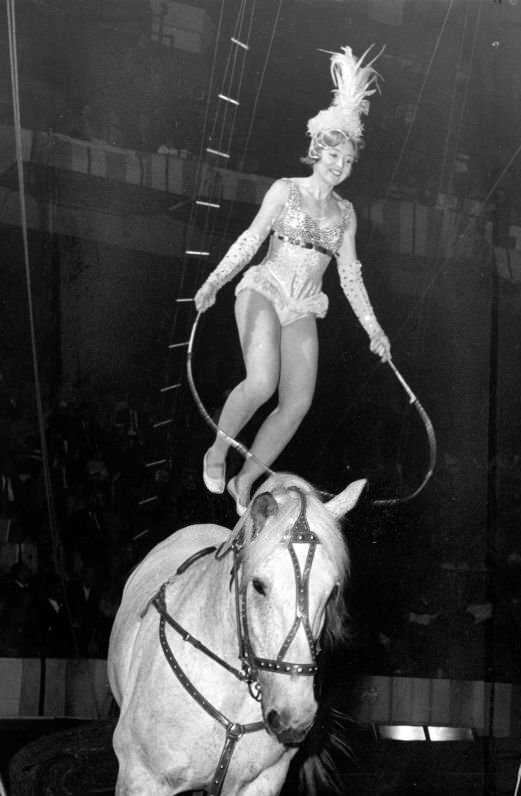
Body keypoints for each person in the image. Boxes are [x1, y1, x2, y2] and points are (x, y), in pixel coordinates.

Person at [194, 46, 391, 514]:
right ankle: (217, 452)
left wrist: (374, 330)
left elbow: (349, 275)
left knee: (297, 403)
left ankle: (245, 481)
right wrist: (215, 281)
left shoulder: (346, 214)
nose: (339, 163)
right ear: (317, 148)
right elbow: (250, 239)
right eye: (332, 152)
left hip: (302, 305)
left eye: (347, 158)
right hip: (264, 289)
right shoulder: (286, 190)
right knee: (261, 383)